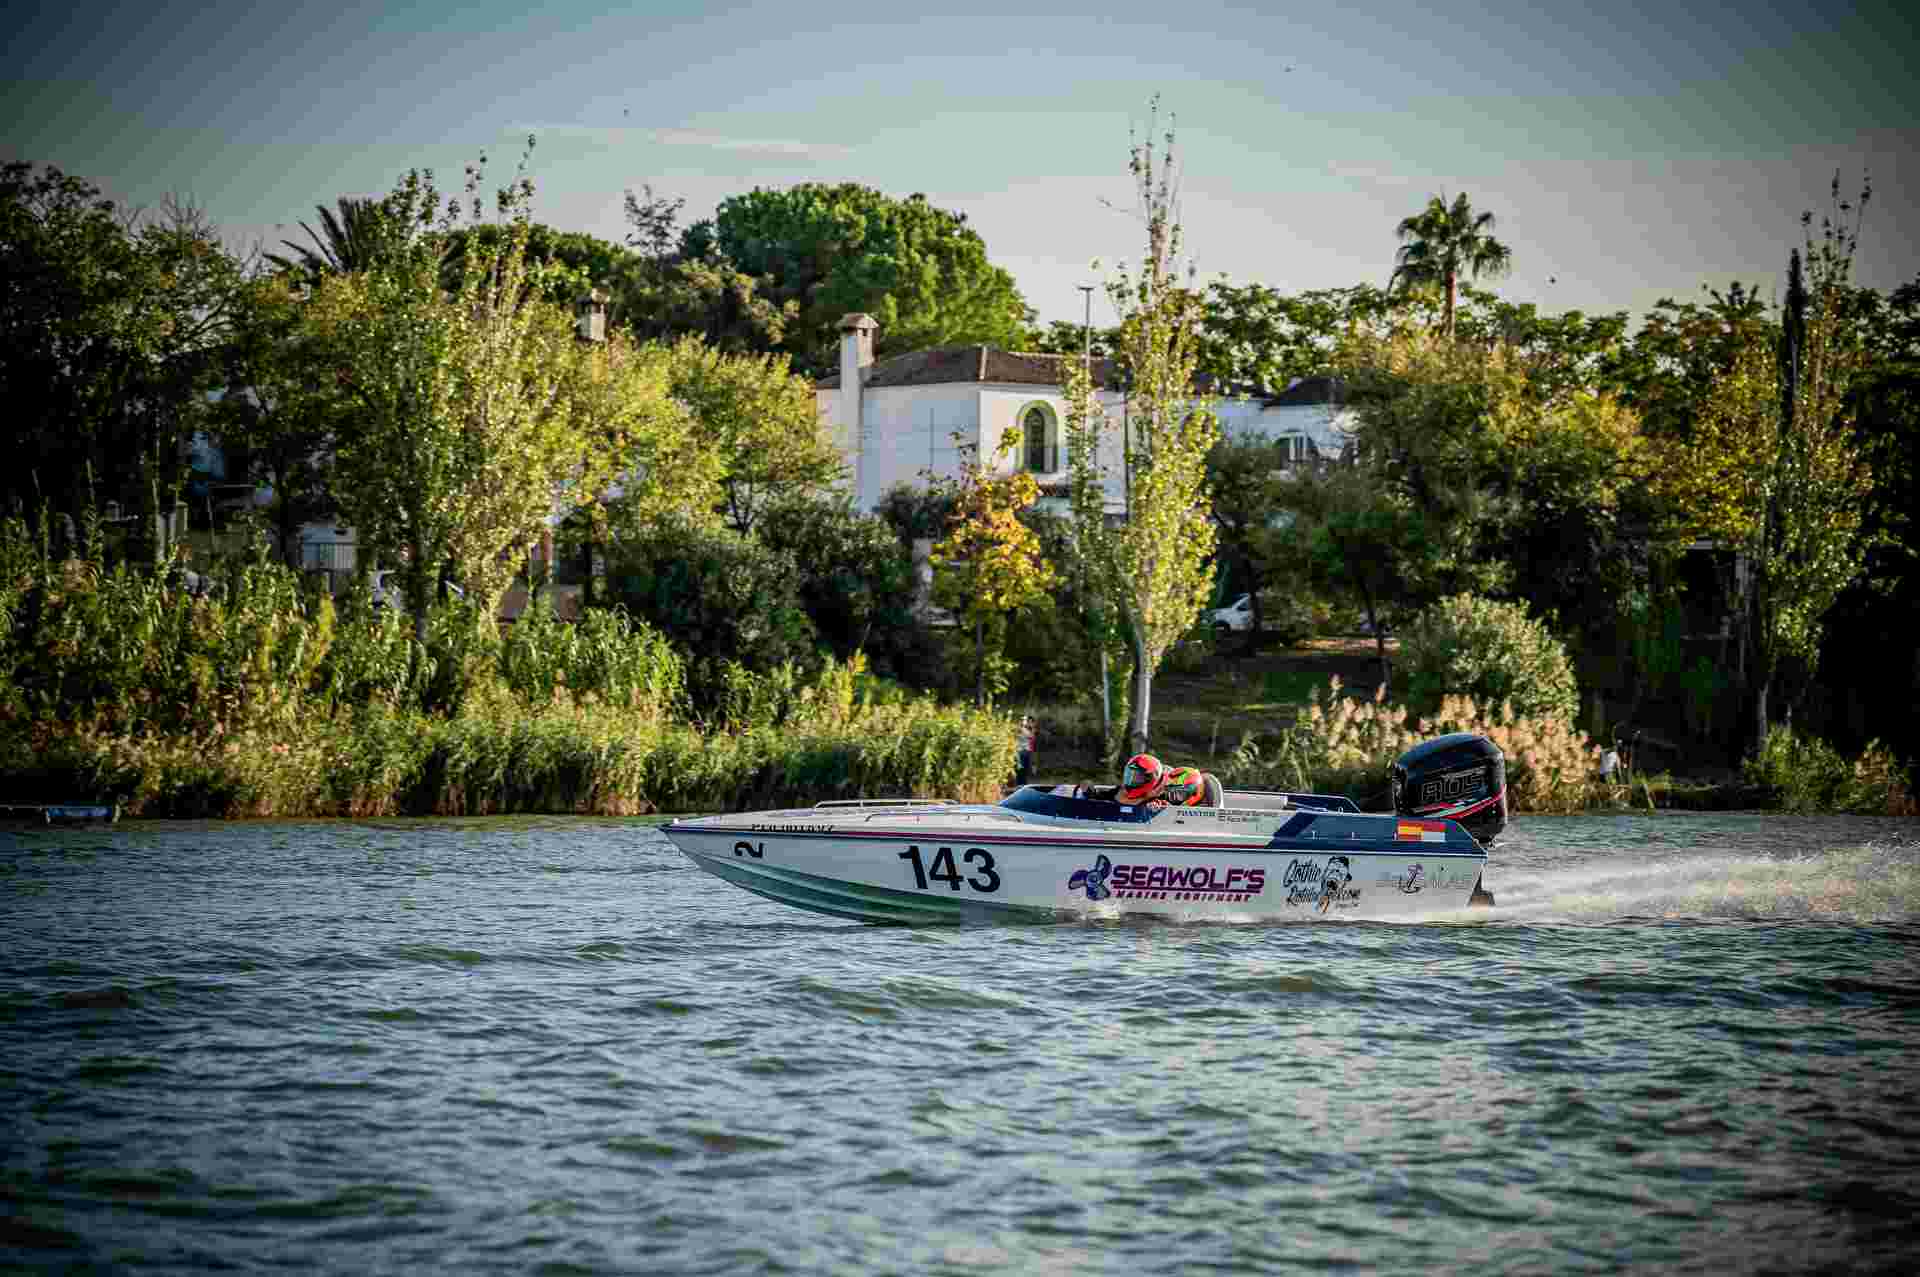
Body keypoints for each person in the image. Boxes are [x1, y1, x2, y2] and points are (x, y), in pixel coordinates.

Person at [1014, 715, 1037, 785]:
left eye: (1024, 720)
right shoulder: (1019, 729)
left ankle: (1023, 784)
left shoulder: (1025, 729)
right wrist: (1032, 728)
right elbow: (1031, 736)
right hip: (1020, 752)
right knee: (1020, 770)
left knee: (1024, 770)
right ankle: (1020, 784)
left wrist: (1032, 728)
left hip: (1026, 751)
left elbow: (1032, 737)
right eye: (1022, 720)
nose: (1024, 721)